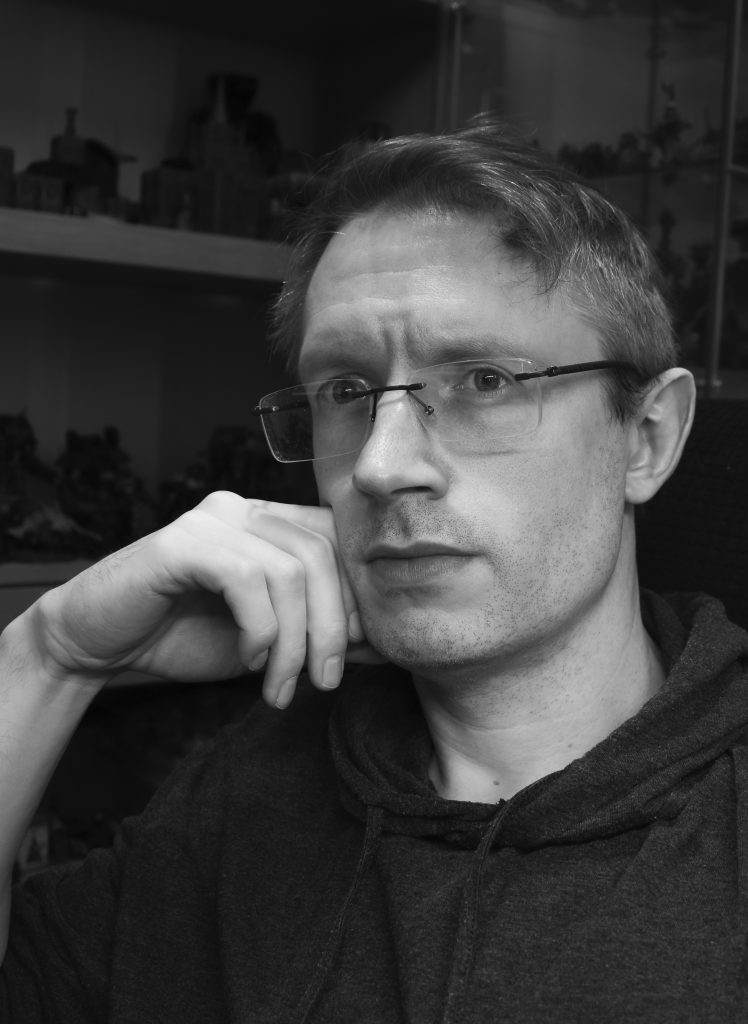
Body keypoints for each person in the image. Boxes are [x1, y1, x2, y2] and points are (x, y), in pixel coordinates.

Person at [0, 115, 745, 1023]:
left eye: (485, 381)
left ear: (647, 438)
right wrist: (47, 659)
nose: (381, 466)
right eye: (347, 392)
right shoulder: (251, 788)